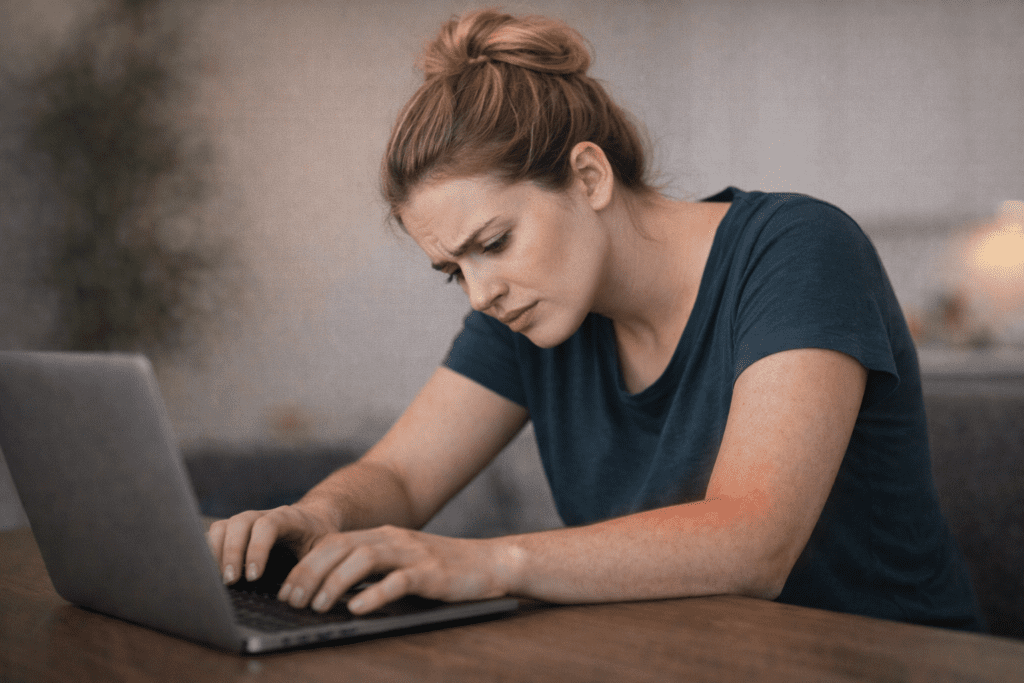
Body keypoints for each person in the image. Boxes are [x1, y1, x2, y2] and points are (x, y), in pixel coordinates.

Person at [208, 9, 985, 631]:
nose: (480, 293)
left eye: (494, 243)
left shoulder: (797, 249)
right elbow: (401, 475)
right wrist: (317, 514)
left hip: (887, 660)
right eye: (455, 269)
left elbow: (753, 541)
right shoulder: (529, 312)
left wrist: (485, 561)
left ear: (587, 175)